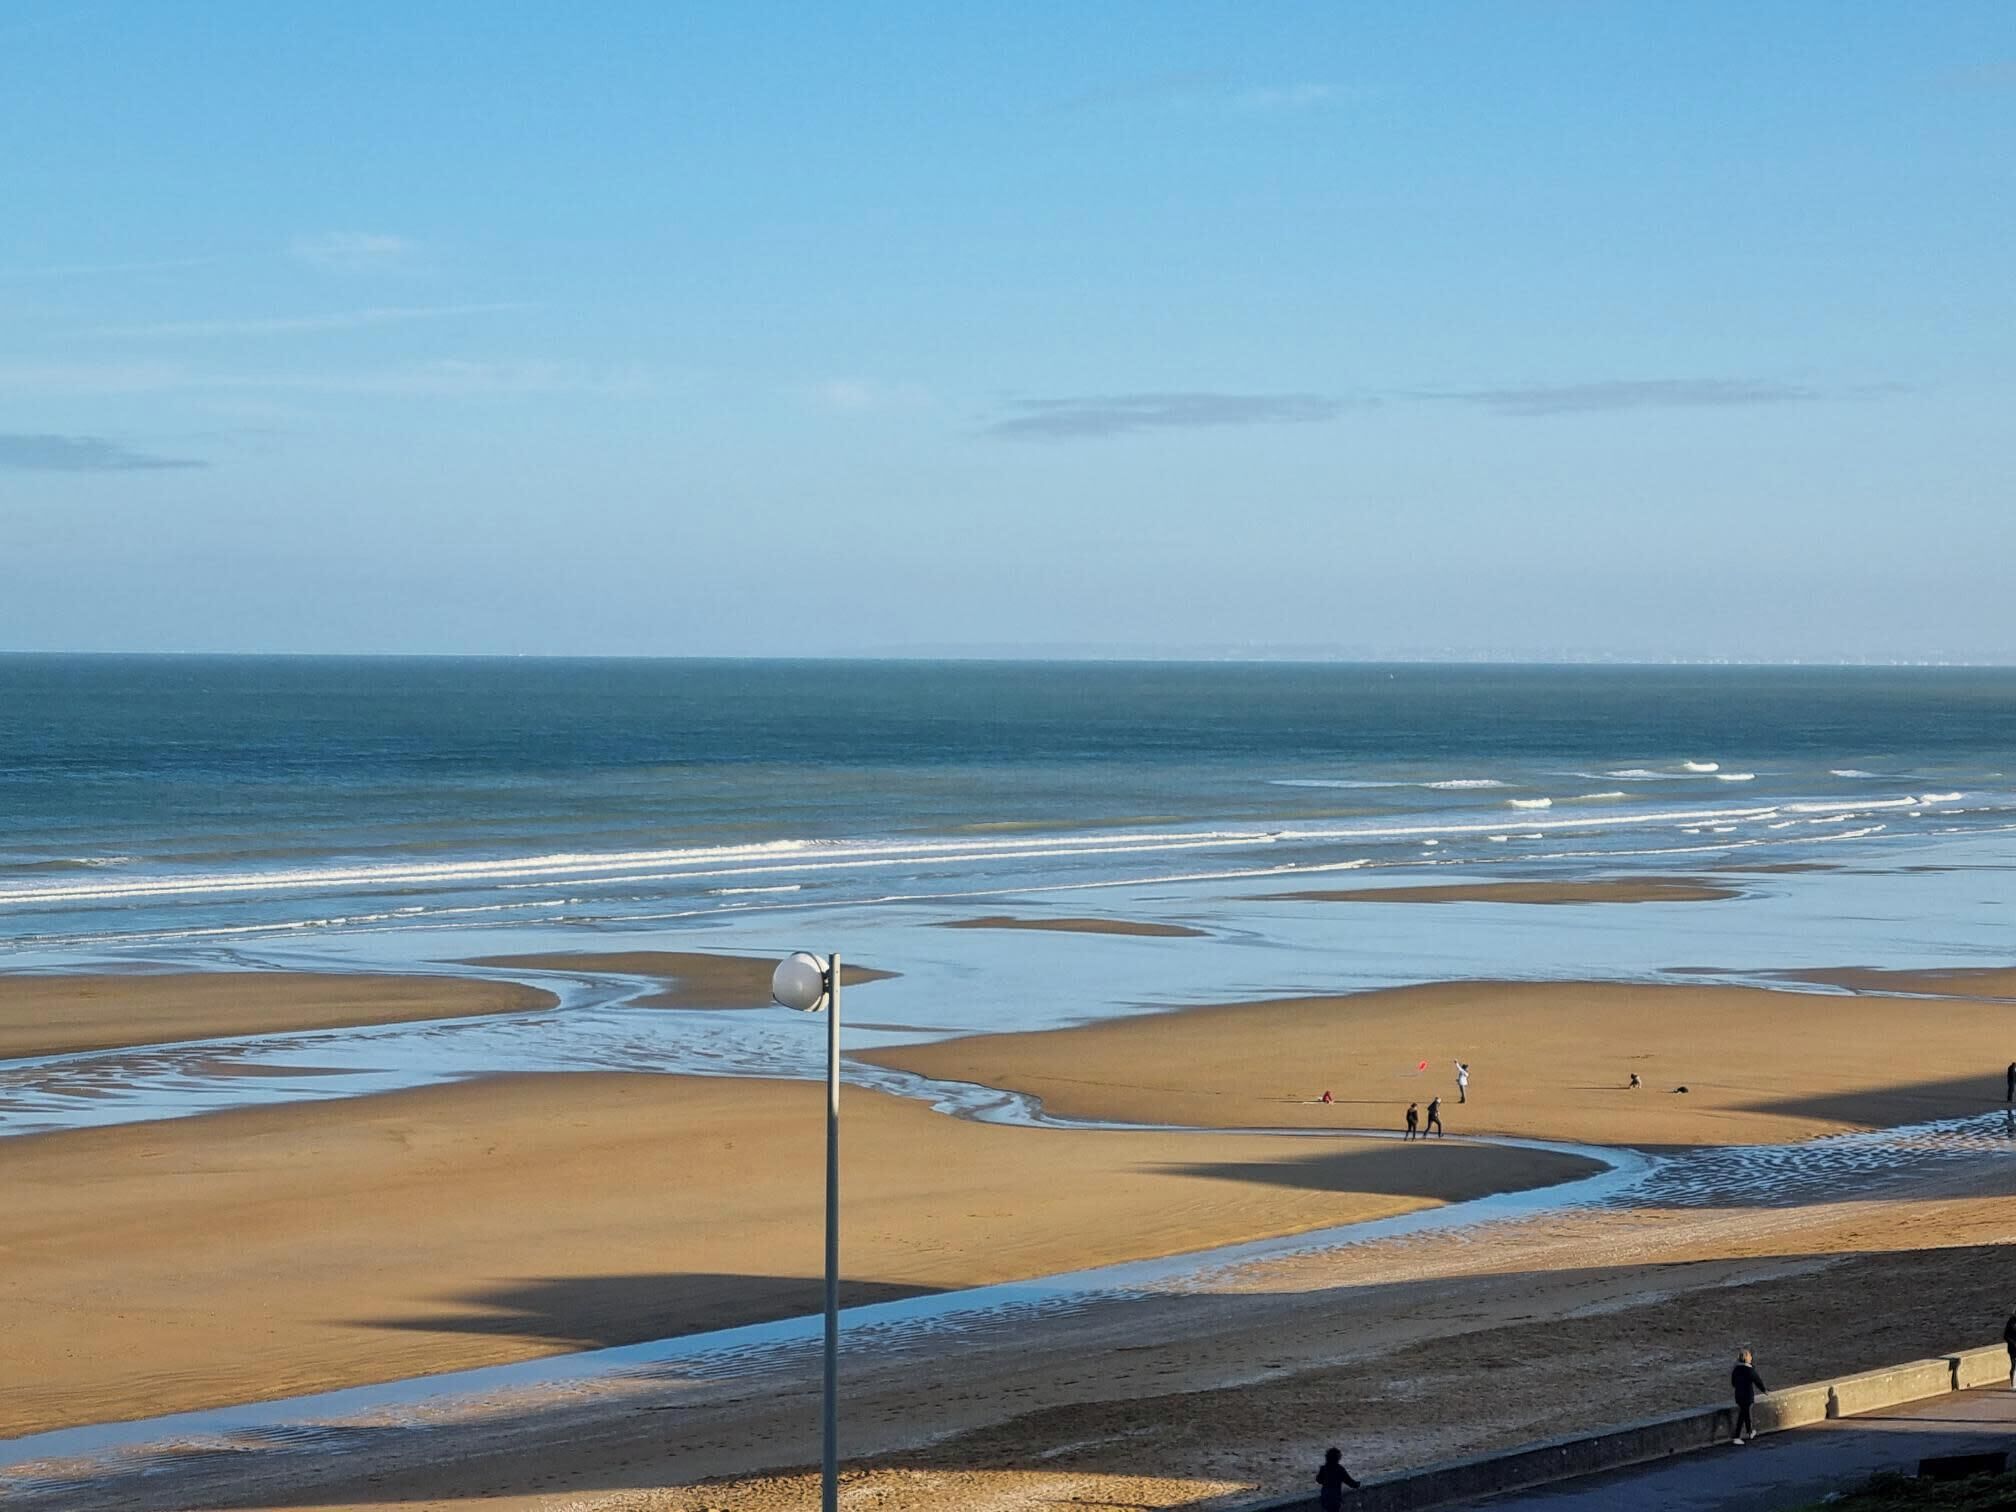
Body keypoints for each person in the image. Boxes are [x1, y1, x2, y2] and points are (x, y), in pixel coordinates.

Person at [1730, 1348, 1768, 1444]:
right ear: (1747, 1358)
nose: (1751, 1358)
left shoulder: (1736, 1370)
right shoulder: (1749, 1370)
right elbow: (1757, 1381)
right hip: (1747, 1396)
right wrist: (1764, 1390)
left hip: (1738, 1396)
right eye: (1750, 1356)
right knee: (1744, 1415)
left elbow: (1733, 1383)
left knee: (1744, 1414)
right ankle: (1740, 1435)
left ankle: (1749, 1432)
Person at [2003, 1311, 2016, 1388]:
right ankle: (2013, 1384)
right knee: (2014, 1366)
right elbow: (2005, 1336)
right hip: (2013, 1348)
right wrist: (2014, 1344)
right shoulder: (2011, 1322)